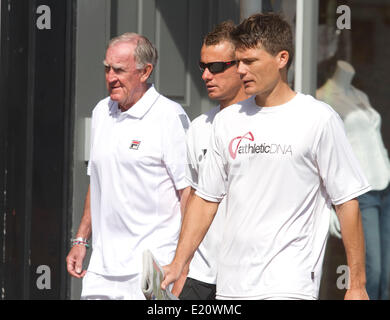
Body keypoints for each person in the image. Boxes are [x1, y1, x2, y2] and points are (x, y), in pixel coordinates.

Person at [162, 13, 370, 300]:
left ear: (281, 58)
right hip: (231, 287)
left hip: (289, 284)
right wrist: (179, 262)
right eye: (239, 61)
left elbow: (347, 202)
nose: (241, 70)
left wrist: (356, 284)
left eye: (250, 61)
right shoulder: (227, 122)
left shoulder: (318, 119)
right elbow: (206, 200)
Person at [66, 33, 190, 300]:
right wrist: (80, 239)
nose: (110, 77)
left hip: (150, 269)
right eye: (107, 68)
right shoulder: (102, 111)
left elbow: (188, 194)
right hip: (101, 268)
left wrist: (183, 264)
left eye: (119, 70)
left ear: (145, 72)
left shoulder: (169, 117)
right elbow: (97, 180)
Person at [178, 21, 249, 300]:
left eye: (216, 67)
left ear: (240, 65)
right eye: (202, 67)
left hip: (247, 279)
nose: (207, 75)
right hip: (200, 275)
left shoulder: (263, 124)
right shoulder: (198, 127)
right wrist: (181, 263)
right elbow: (191, 196)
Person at [317, 60, 390, 300]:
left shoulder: (359, 95)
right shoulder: (323, 97)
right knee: (374, 270)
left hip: (385, 186)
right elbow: (323, 152)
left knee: (387, 273)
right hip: (363, 191)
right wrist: (327, 207)